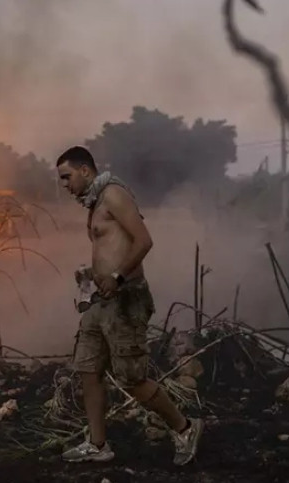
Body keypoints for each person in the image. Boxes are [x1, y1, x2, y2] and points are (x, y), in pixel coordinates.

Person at [55, 145, 203, 466]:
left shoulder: (114, 195)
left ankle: (185, 428)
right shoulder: (94, 203)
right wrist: (90, 274)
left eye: (67, 177)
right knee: (88, 369)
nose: (64, 185)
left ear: (85, 170)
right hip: (100, 299)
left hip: (126, 300)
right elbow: (111, 247)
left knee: (132, 378)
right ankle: (98, 444)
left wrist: (118, 277)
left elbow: (144, 240)